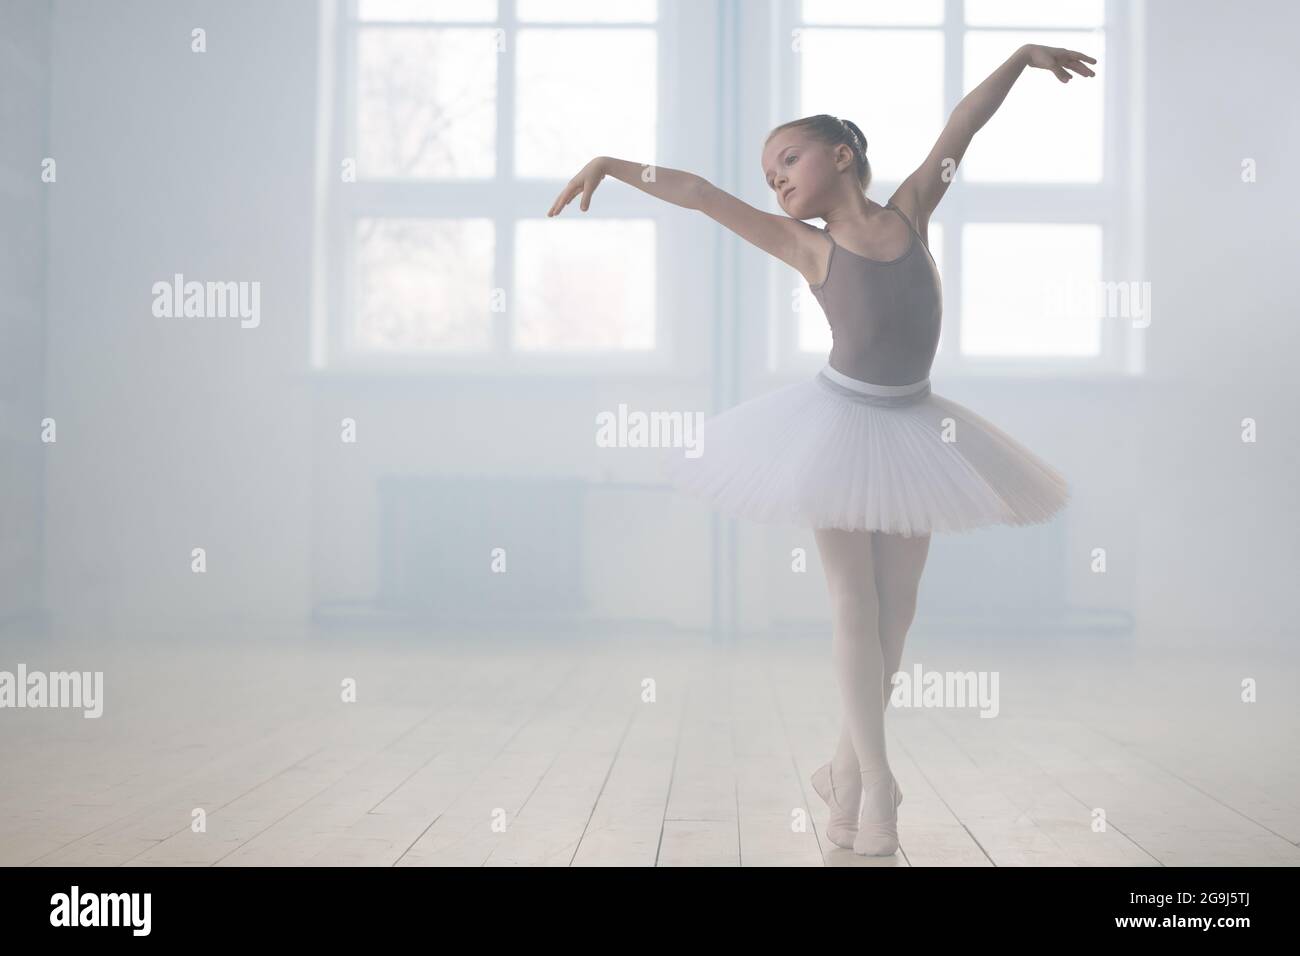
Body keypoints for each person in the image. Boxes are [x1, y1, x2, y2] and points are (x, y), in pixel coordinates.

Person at [548, 44, 1096, 857]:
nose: (776, 180)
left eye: (787, 160)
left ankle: (845, 772)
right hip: (838, 427)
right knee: (854, 604)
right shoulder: (807, 247)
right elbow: (700, 195)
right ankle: (877, 781)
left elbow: (963, 126)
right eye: (770, 175)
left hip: (918, 429)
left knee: (898, 609)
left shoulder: (911, 212)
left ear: (842, 156)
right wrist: (612, 165)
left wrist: (1017, 60)